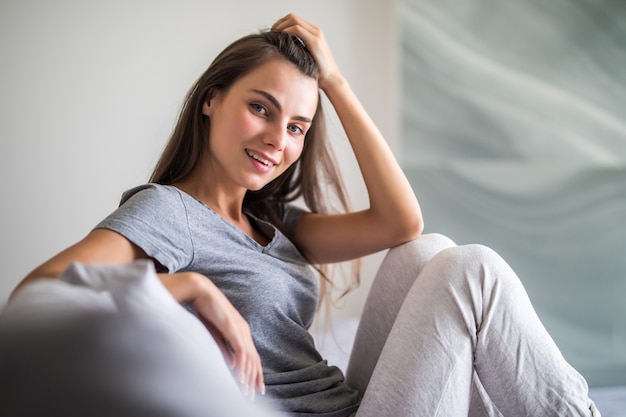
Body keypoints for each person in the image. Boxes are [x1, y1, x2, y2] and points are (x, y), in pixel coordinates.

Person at [8, 13, 599, 417]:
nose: (277, 140)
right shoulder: (167, 212)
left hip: (350, 402)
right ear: (211, 99)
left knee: (429, 252)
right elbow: (36, 297)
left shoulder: (274, 221)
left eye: (296, 127)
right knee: (469, 271)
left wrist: (336, 83)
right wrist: (189, 286)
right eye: (260, 109)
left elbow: (401, 224)